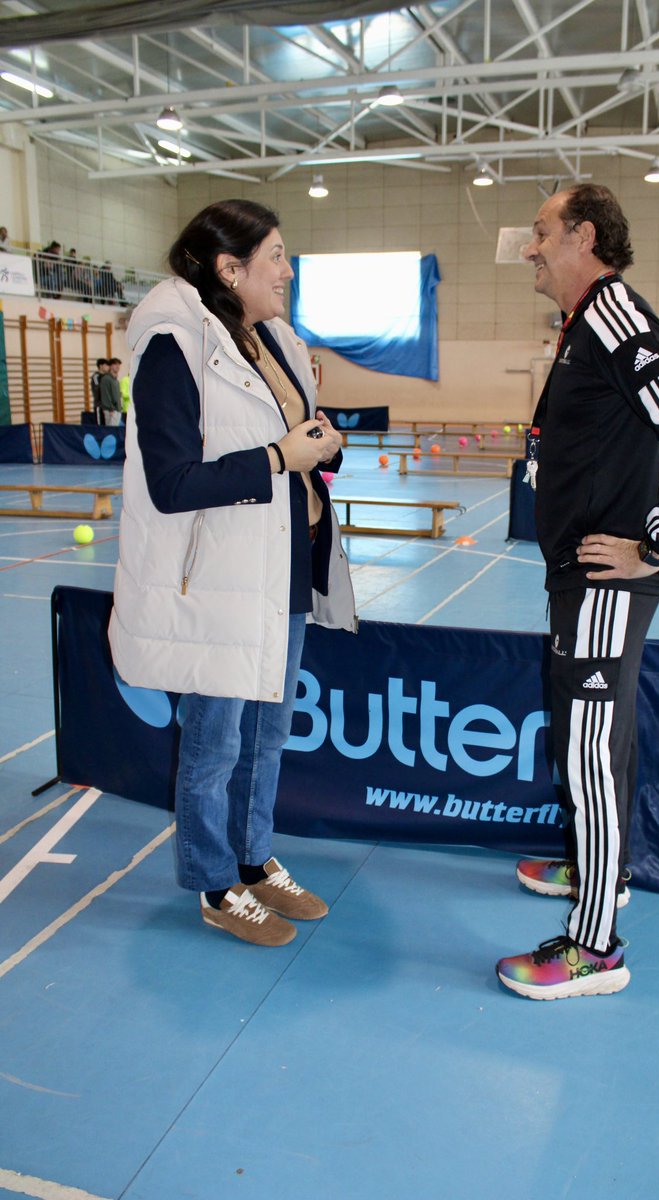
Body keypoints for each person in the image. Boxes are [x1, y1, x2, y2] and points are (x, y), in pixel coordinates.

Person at [496, 183, 659, 1001]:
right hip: (583, 575)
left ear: (582, 237)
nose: (529, 247)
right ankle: (602, 871)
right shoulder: (585, 323)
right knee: (600, 735)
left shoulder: (613, 315)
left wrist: (656, 542)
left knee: (589, 749)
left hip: (606, 578)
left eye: (541, 231)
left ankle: (594, 947)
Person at [108, 198, 357, 947]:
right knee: (214, 746)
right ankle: (215, 882)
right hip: (220, 578)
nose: (287, 270)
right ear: (228, 267)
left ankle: (253, 859)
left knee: (266, 737)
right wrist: (281, 457)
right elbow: (171, 483)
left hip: (284, 564)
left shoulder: (270, 338)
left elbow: (293, 435)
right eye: (275, 255)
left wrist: (321, 443)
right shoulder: (173, 344)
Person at [99, 356, 123, 425]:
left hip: (117, 409)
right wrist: (110, 409)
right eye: (115, 364)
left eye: (118, 364)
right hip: (111, 410)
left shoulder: (115, 380)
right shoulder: (106, 379)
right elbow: (106, 395)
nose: (118, 366)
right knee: (111, 429)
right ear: (110, 366)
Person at [90, 358, 110, 423]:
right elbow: (98, 389)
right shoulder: (96, 376)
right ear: (101, 366)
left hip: (107, 406)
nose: (108, 367)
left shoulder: (107, 376)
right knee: (100, 424)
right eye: (106, 365)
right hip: (100, 405)